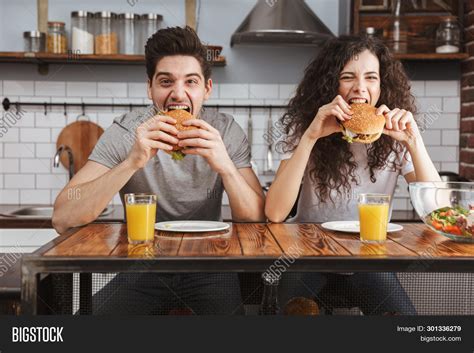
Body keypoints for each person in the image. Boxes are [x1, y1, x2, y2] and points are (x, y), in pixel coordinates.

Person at [52, 26, 265, 314]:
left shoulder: (225, 130)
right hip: (142, 264)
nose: (178, 94)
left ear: (207, 89)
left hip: (210, 265)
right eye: (166, 81)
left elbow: (255, 220)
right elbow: (63, 217)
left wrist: (225, 165)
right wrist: (132, 162)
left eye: (191, 81)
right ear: (149, 87)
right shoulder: (128, 130)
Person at [265, 35, 441, 315]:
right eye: (348, 77)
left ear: (382, 85)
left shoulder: (395, 134)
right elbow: (275, 212)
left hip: (370, 256)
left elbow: (438, 211)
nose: (360, 88)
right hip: (308, 255)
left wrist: (413, 141)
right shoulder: (307, 128)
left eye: (371, 77)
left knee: (407, 323)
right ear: (331, 83)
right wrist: (310, 137)